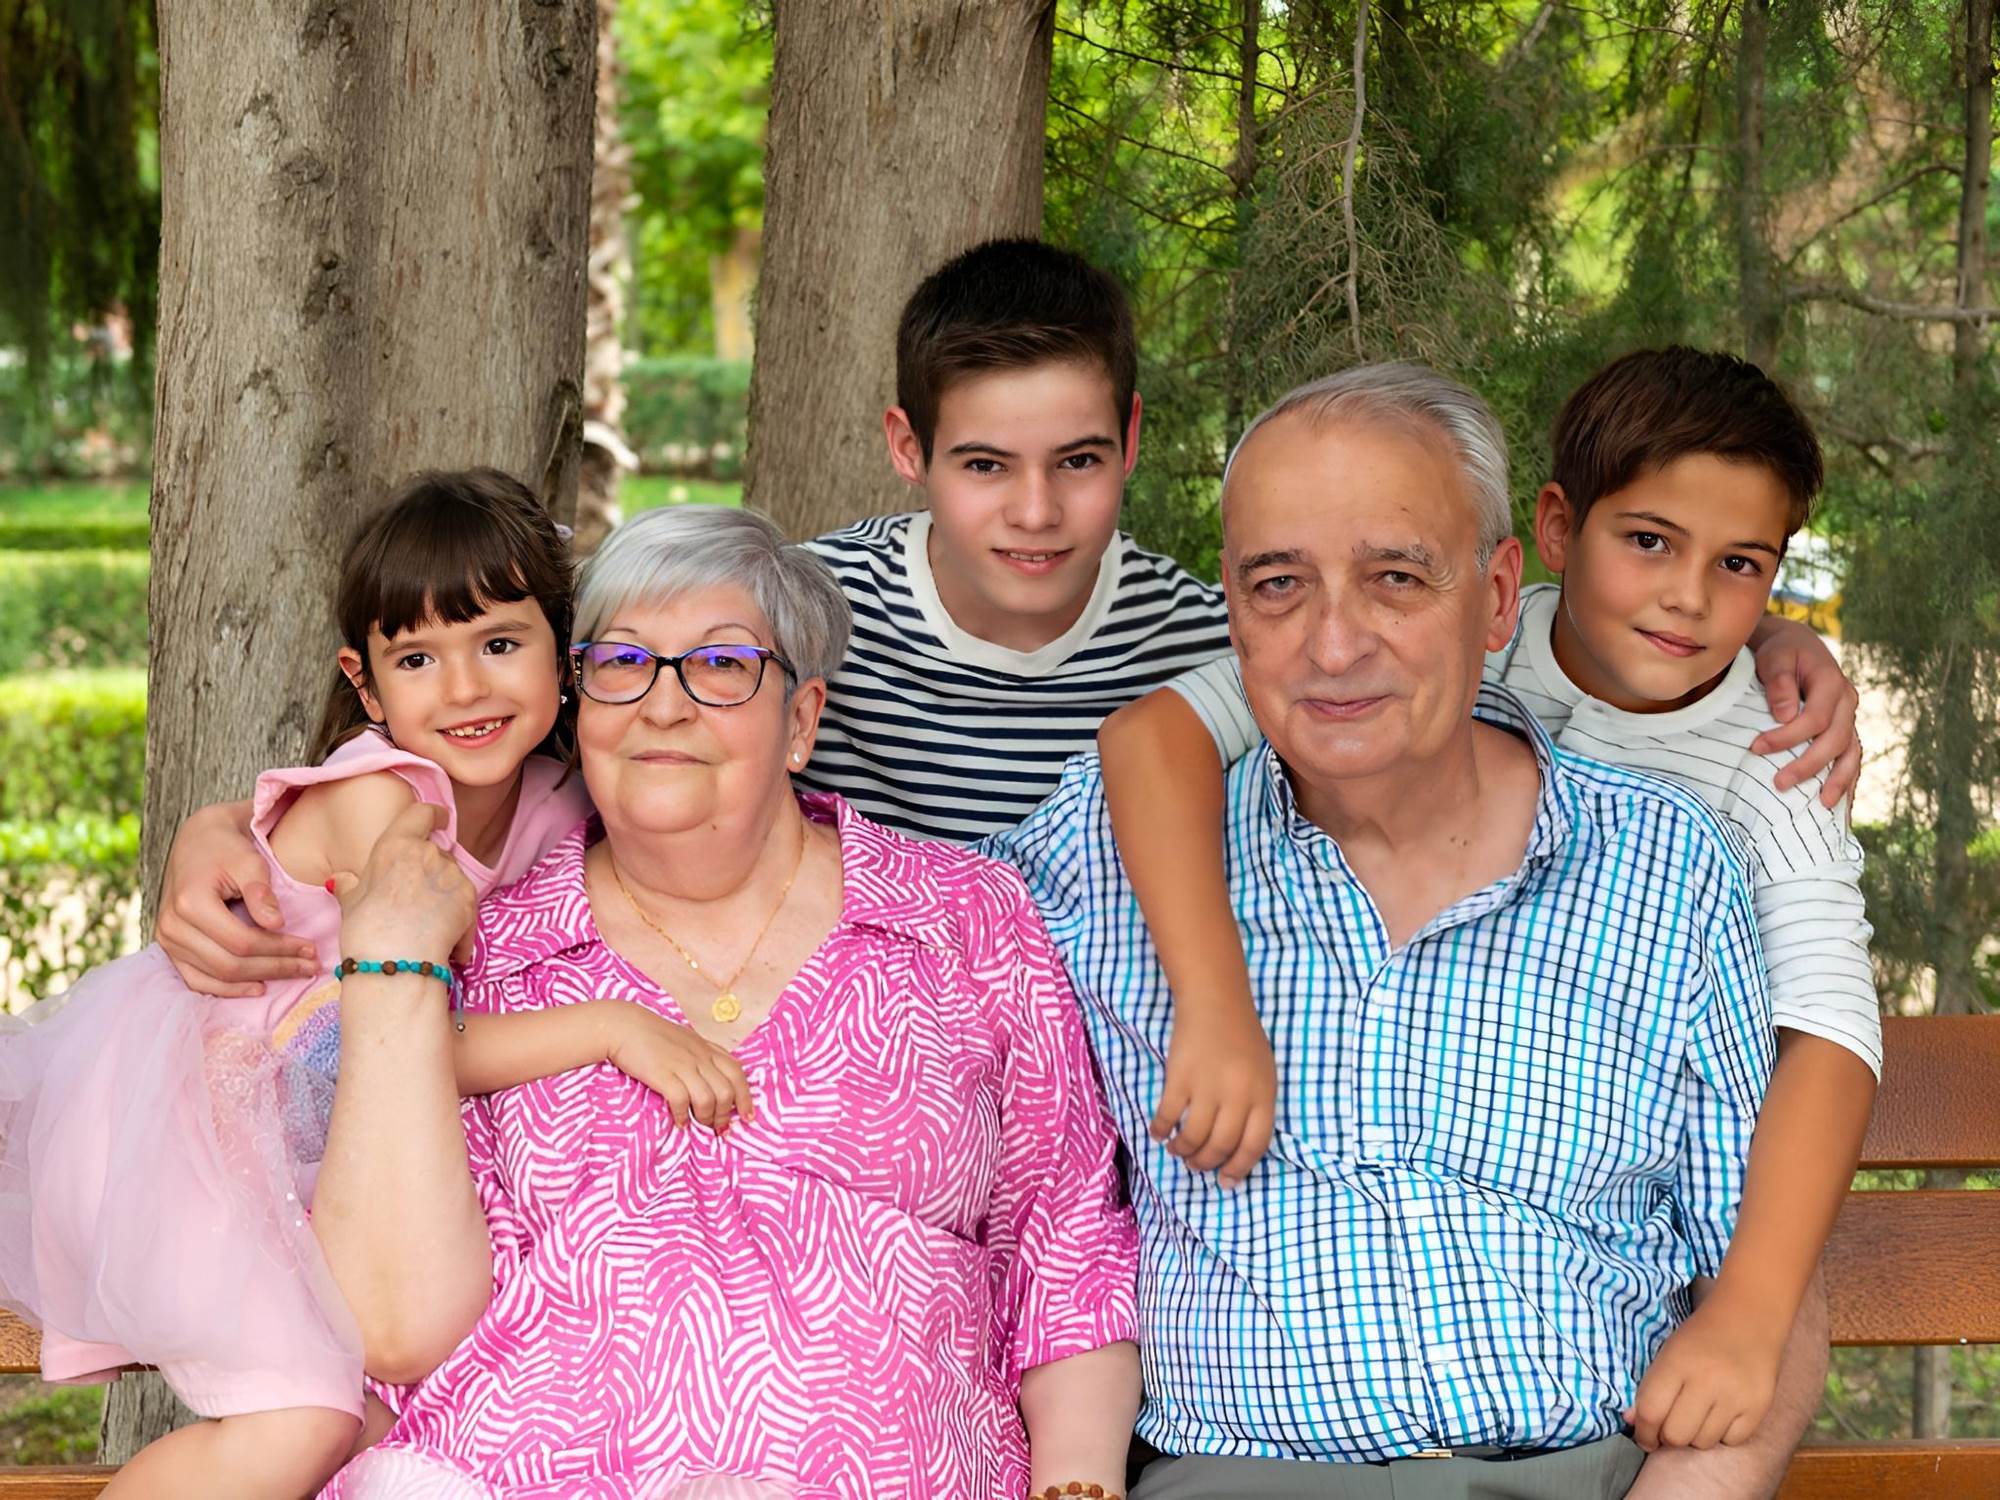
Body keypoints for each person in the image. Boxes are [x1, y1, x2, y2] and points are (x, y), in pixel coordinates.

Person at [984, 365, 1824, 1497]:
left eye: (1393, 579)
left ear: (1492, 598)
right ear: (1228, 607)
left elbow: (1762, 1295)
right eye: (1276, 586)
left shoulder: (1665, 868)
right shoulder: (1109, 852)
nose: (1332, 646)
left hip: (1576, 1473)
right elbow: (846, 958)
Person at [309, 505, 1142, 1499]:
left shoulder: (962, 923)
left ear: (800, 719)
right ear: (580, 704)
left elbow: (1065, 1254)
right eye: (621, 664)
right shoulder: (485, 944)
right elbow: (391, 1325)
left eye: (719, 667)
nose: (663, 707)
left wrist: (1077, 1485)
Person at [0, 471, 749, 1500]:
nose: (465, 689)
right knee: (300, 1422)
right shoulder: (382, 815)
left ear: (562, 651)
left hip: (316, 1144)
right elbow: (393, 1042)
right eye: (417, 660)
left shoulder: (557, 799)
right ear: (366, 683)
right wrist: (612, 1028)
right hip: (195, 1133)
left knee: (388, 1417)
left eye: (497, 643)